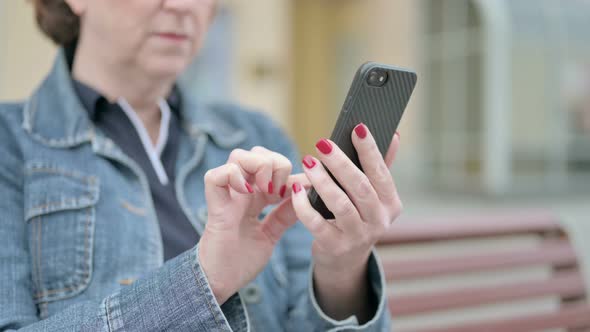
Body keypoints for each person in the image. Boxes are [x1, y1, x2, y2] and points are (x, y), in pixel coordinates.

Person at [0, 0, 402, 330]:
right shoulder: (10, 144)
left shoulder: (256, 133)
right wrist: (204, 279)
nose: (182, 6)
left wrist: (342, 266)